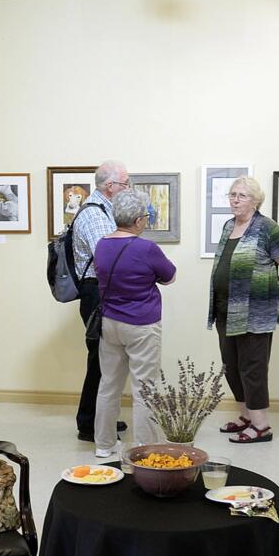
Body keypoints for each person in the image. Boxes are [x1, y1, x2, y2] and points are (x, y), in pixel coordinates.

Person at [207, 176, 279, 444]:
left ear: (256, 201)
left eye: (242, 196)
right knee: (232, 366)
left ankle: (261, 426)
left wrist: (273, 295)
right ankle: (246, 416)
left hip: (254, 313)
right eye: (232, 195)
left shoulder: (267, 229)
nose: (235, 200)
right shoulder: (228, 226)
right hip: (225, 310)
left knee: (253, 368)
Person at [92, 189, 177, 457]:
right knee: (145, 388)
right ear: (139, 220)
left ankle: (104, 445)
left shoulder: (102, 244)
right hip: (141, 325)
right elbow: (169, 276)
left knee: (109, 384)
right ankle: (145, 448)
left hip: (110, 323)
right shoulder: (146, 248)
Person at [73, 160, 131, 443]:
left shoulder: (104, 210)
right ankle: (88, 425)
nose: (127, 188)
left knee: (107, 358)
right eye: (125, 183)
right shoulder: (94, 215)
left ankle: (101, 418)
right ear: (110, 187)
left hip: (102, 290)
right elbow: (107, 257)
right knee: (100, 358)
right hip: (96, 291)